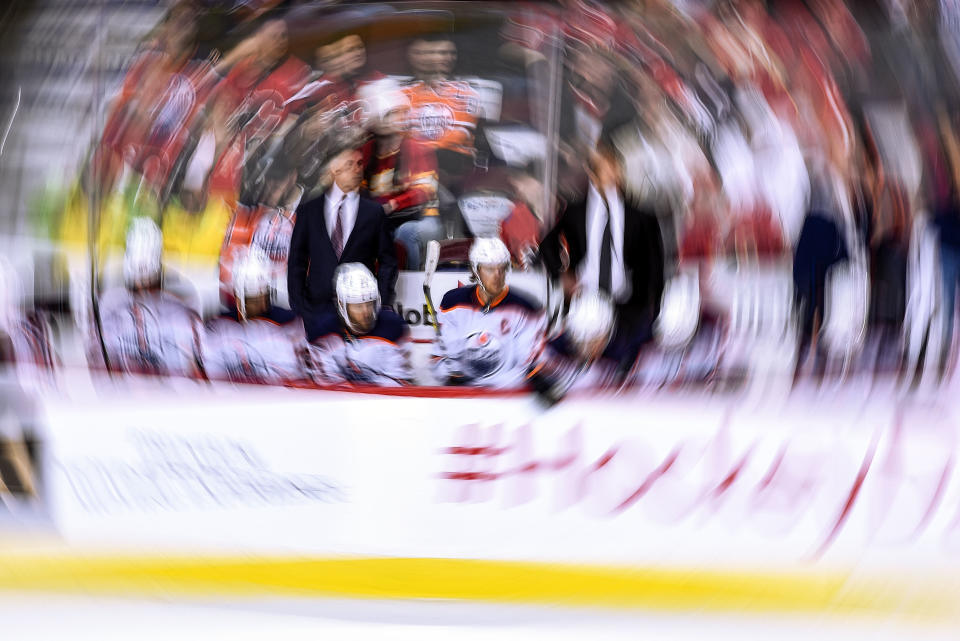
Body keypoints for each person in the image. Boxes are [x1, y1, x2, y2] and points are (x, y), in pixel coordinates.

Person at [539, 139, 666, 368]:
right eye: (602, 167)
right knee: (563, 356)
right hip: (584, 303)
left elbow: (655, 269)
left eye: (612, 166)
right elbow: (546, 244)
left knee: (623, 361)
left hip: (626, 307)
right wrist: (561, 275)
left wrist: (653, 311)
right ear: (592, 173)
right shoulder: (574, 211)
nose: (609, 173)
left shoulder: (642, 217)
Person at [287, 145, 398, 341]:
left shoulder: (373, 212)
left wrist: (380, 302)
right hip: (317, 311)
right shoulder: (308, 211)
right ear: (333, 170)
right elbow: (297, 261)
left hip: (362, 313)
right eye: (350, 164)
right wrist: (300, 307)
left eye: (360, 163)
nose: (357, 169)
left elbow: (388, 261)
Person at [92, 218, 205, 378]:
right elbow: (98, 357)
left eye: (147, 278)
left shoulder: (183, 299)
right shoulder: (110, 301)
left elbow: (192, 363)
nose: (142, 285)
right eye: (138, 277)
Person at [433, 237, 545, 388]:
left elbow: (530, 365)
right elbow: (442, 357)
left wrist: (497, 387)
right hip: (466, 396)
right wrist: (452, 372)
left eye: (502, 268)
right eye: (490, 269)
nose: (497, 276)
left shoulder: (525, 308)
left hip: (506, 394)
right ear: (476, 270)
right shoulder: (452, 303)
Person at [359, 80, 442, 270]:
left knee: (406, 233)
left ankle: (411, 282)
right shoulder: (366, 152)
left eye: (401, 112)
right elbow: (357, 190)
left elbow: (425, 190)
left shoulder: (417, 148)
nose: (397, 118)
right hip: (382, 220)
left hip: (423, 219)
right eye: (390, 113)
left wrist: (391, 204)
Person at [202, 249, 308, 386]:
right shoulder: (220, 322)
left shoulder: (289, 321)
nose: (256, 303)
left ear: (268, 292)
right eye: (250, 298)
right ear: (236, 294)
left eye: (259, 295)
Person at [306, 263, 413, 386]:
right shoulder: (322, 332)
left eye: (370, 304)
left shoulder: (393, 328)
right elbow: (325, 387)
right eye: (358, 306)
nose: (366, 312)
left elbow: (398, 386)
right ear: (342, 305)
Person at [527, 291, 624, 404]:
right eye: (585, 342)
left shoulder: (619, 355)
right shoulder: (551, 353)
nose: (593, 348)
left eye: (597, 340)